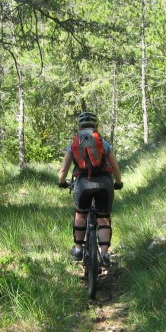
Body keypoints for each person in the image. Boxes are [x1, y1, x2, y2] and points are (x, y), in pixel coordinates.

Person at [58, 111, 123, 266]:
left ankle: (79, 248)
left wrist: (61, 182)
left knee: (81, 214)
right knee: (103, 217)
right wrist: (118, 182)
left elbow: (64, 170)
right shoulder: (104, 144)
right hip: (104, 184)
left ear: (79, 127)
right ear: (96, 126)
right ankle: (105, 254)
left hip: (82, 184)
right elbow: (115, 169)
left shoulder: (73, 144)